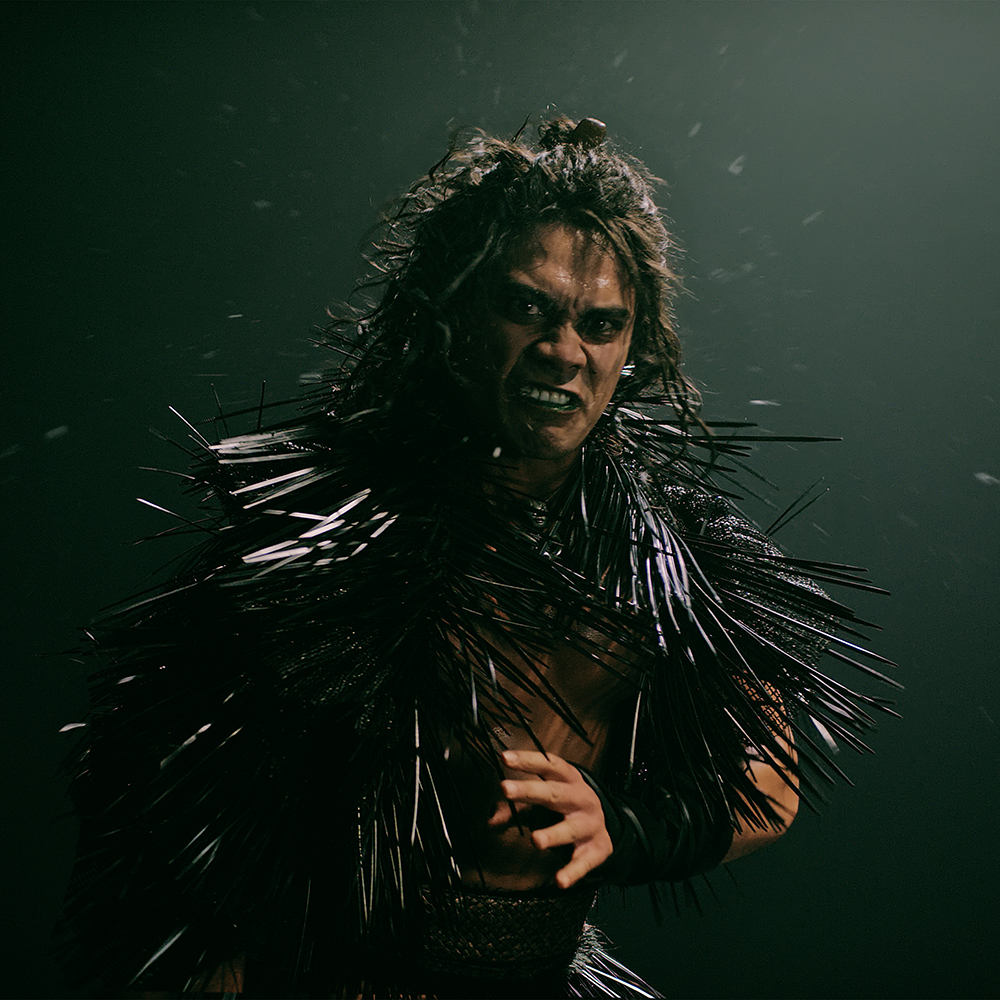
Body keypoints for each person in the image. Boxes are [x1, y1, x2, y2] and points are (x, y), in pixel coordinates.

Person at [58, 117, 893, 998]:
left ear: (630, 352)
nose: (564, 352)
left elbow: (769, 781)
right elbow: (148, 787)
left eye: (601, 325)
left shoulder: (672, 563)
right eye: (527, 306)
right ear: (449, 312)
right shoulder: (323, 537)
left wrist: (629, 828)